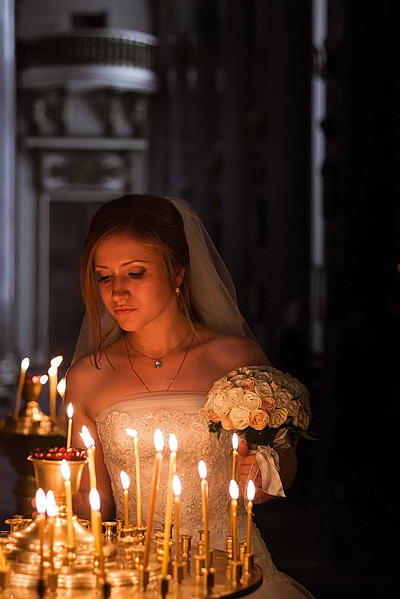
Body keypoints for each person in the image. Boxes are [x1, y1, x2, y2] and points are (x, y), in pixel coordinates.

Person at [63, 194, 313, 598]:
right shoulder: (86, 378)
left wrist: (268, 474)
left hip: (233, 568)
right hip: (134, 575)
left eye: (136, 273)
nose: (117, 292)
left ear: (177, 274)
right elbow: (89, 498)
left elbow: (280, 463)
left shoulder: (236, 360)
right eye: (104, 276)